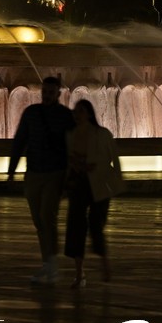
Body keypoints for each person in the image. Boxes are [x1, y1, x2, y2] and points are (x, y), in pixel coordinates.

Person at [7, 75, 75, 284]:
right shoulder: (31, 113)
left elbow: (72, 147)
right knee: (39, 220)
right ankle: (47, 262)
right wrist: (11, 170)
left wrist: (70, 179)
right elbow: (20, 141)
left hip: (55, 173)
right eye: (44, 92)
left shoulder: (66, 116)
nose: (46, 96)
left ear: (59, 94)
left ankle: (51, 264)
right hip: (34, 173)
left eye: (51, 93)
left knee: (48, 217)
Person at [64, 99, 120, 287]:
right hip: (78, 184)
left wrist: (112, 178)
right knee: (76, 227)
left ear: (89, 113)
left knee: (96, 225)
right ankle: (79, 273)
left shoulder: (103, 134)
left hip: (99, 184)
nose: (76, 114)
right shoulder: (70, 135)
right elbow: (67, 158)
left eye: (80, 111)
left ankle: (105, 264)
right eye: (75, 111)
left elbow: (114, 158)